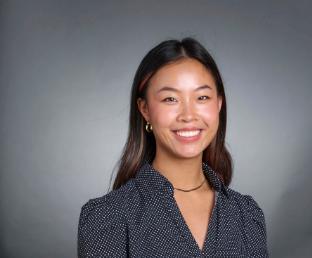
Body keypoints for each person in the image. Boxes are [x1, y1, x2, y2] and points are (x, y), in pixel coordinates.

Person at [77, 37, 269, 257]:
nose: (188, 115)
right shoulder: (109, 217)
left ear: (218, 104)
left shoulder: (246, 215)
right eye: (170, 99)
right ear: (145, 109)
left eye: (202, 97)